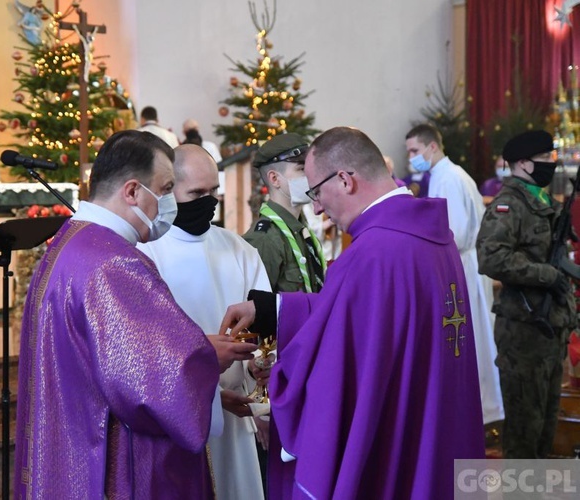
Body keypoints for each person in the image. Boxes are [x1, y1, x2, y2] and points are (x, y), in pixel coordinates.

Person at [220, 126, 484, 499]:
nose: (316, 207)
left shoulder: (373, 254)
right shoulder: (428, 236)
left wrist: (276, 389)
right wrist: (271, 309)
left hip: (392, 436)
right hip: (432, 418)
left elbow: (337, 355)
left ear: (344, 180)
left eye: (317, 191)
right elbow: (364, 317)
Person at [13, 130, 256, 498]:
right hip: (113, 460)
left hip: (71, 444)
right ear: (132, 192)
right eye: (165, 188)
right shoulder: (114, 262)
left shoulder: (71, 242)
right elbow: (143, 384)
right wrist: (206, 358)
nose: (167, 203)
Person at [138, 144, 269, 499]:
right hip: (178, 417)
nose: (208, 202)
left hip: (238, 415)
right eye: (197, 193)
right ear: (170, 191)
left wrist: (263, 383)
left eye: (214, 192)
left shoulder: (240, 250)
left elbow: (265, 334)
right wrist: (206, 391)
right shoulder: (145, 254)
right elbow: (145, 347)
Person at [477, 129, 576, 458]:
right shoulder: (508, 205)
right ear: (522, 163)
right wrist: (546, 275)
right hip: (523, 331)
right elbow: (491, 258)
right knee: (524, 433)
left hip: (550, 328)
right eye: (544, 158)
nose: (551, 164)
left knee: (546, 428)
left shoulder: (543, 199)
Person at [405, 123, 504, 426]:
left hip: (463, 266)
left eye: (415, 151)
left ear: (432, 147)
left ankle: (483, 412)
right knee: (476, 337)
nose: (412, 158)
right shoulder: (444, 175)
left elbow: (456, 233)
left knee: (474, 340)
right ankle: (482, 410)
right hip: (463, 264)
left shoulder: (448, 178)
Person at [243, 133, 326, 294]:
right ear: (274, 179)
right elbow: (256, 309)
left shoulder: (301, 229)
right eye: (301, 169)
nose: (311, 176)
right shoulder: (264, 239)